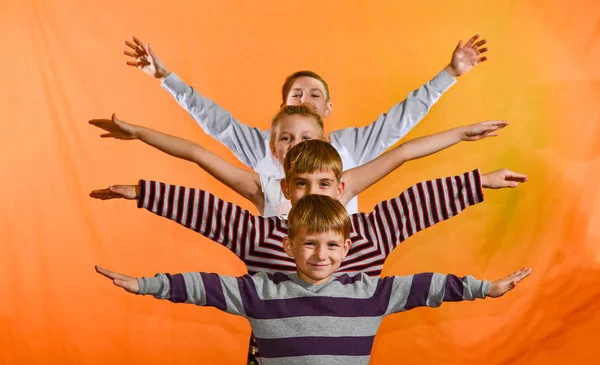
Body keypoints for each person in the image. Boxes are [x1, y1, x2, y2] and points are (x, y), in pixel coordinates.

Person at [90, 139, 527, 365]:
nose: (321, 255)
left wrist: (477, 183)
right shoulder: (260, 237)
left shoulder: (368, 235)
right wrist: (141, 194)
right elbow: (206, 217)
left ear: (342, 189)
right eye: (301, 184)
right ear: (286, 190)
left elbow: (416, 207)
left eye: (323, 184)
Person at [120, 34, 489, 214]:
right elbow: (210, 124)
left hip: (336, 263)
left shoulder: (350, 149)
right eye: (296, 95)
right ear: (281, 113)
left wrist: (450, 74)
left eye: (314, 95)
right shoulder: (262, 157)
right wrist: (165, 77)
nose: (304, 100)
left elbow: (403, 127)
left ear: (327, 110)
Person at [89, 104, 507, 216]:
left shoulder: (343, 187)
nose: (293, 145)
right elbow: (198, 154)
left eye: (305, 137)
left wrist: (462, 134)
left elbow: (403, 153)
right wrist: (140, 133)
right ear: (275, 150)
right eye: (285, 139)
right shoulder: (265, 188)